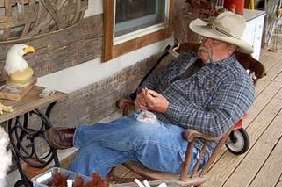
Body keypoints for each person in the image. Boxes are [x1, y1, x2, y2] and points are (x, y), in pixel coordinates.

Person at [47, 11, 256, 177]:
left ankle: (77, 135)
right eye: (205, 37)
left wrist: (167, 108)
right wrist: (143, 96)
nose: (204, 43)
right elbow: (155, 80)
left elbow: (217, 125)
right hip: (145, 128)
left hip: (185, 148)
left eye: (213, 41)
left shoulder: (238, 82)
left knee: (138, 128)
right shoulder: (188, 59)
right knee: (91, 151)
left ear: (230, 48)